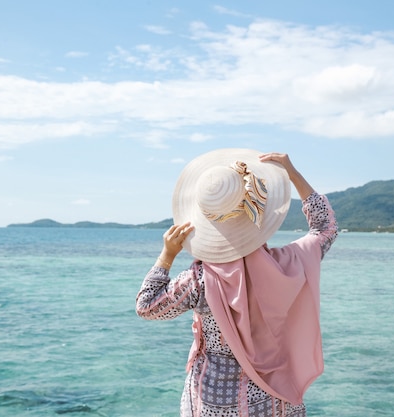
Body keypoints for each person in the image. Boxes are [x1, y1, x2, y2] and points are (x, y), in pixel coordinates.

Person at [136, 149, 338, 416]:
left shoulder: (200, 281)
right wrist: (293, 175)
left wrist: (167, 255)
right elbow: (325, 228)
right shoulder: (289, 263)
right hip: (276, 399)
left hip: (216, 401)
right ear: (260, 216)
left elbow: (147, 307)